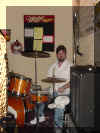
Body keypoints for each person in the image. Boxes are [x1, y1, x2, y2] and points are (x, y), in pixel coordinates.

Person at [30, 45, 72, 130]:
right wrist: (51, 81)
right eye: (59, 53)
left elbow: (73, 81)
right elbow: (49, 78)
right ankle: (40, 115)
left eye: (62, 53)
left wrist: (64, 87)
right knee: (38, 95)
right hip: (52, 90)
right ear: (56, 55)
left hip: (64, 92)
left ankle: (58, 128)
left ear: (65, 54)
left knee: (59, 105)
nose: (60, 55)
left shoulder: (70, 65)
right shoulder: (53, 66)